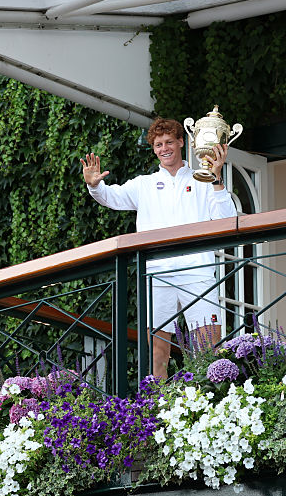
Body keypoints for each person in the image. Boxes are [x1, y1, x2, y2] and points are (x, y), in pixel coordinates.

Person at [81, 117, 237, 379]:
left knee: (209, 347)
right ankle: (159, 401)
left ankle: (211, 400)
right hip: (156, 273)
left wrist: (216, 178)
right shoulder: (144, 184)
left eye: (168, 142)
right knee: (157, 352)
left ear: (181, 142)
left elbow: (226, 219)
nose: (164, 148)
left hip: (197, 270)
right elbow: (111, 197)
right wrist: (94, 185)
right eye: (158, 144)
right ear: (153, 149)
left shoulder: (203, 179)